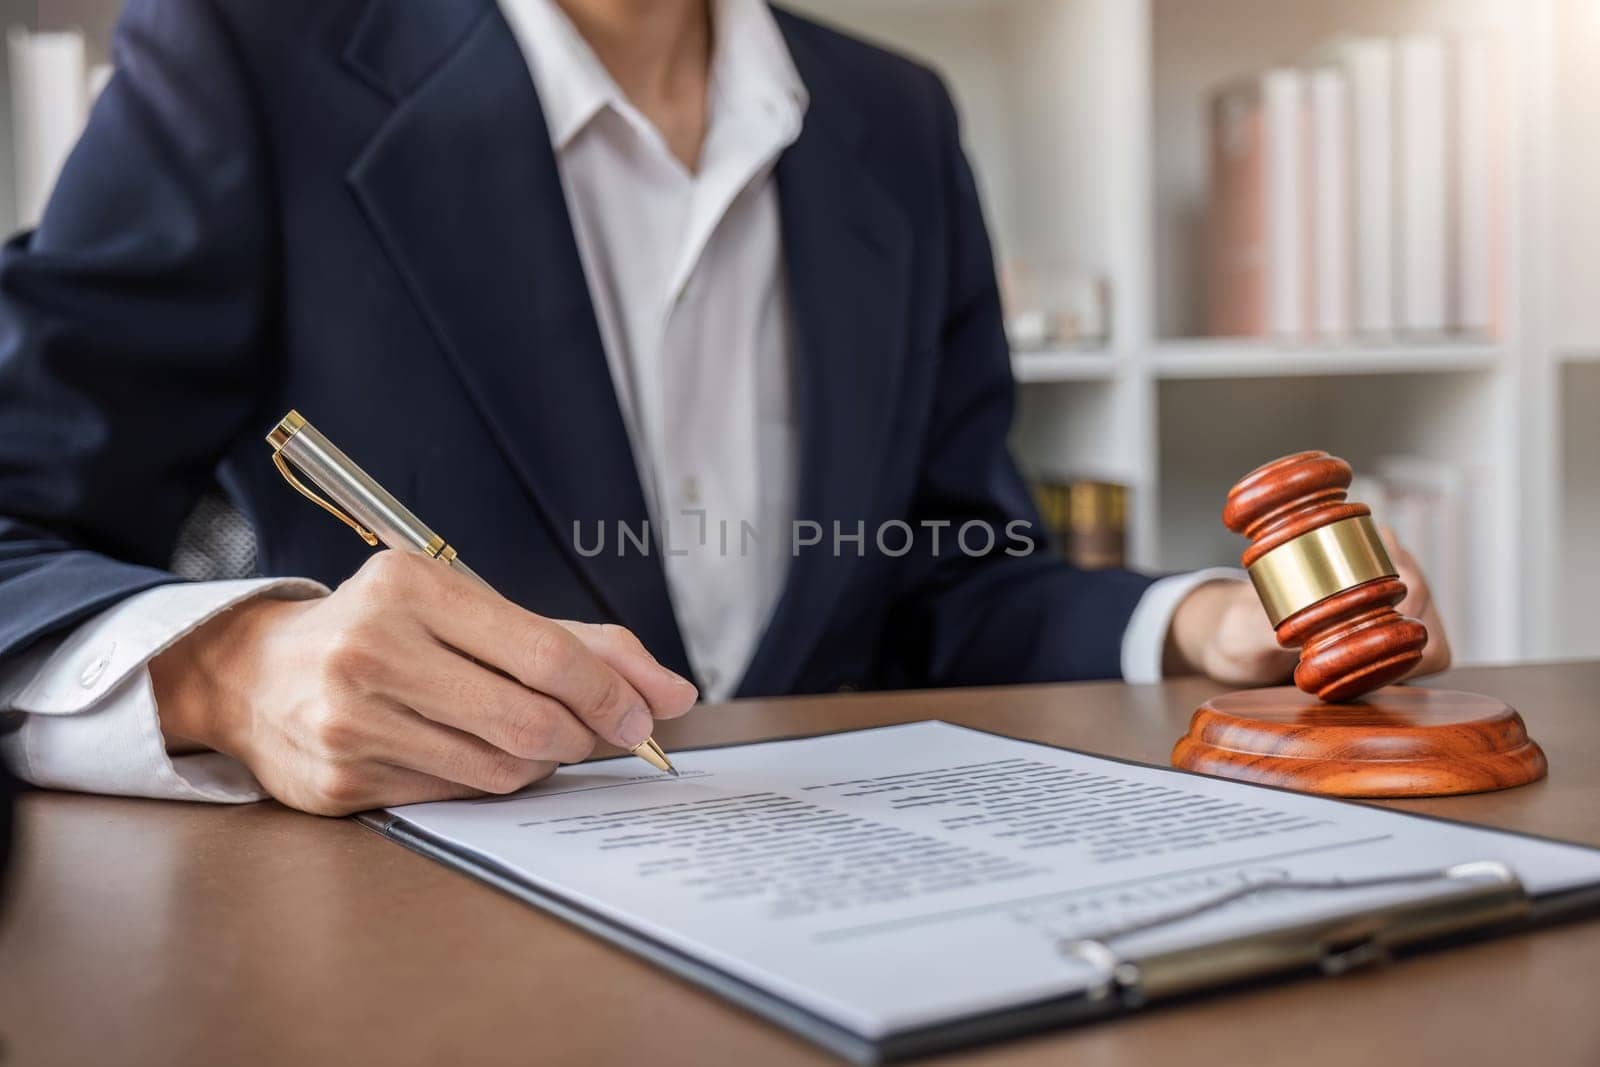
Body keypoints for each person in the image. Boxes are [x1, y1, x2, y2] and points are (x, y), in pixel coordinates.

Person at [0, 0, 1448, 816]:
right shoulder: (245, 59)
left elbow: (934, 578)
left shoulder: (894, 116)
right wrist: (231, 675)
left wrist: (1193, 629)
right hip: (418, 966)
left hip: (848, 919)